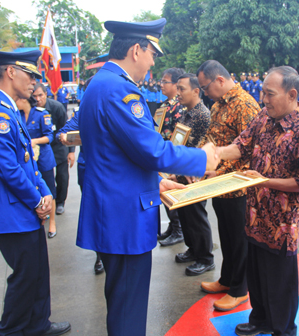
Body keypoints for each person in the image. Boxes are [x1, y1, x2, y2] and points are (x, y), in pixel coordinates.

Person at [76, 18, 220, 336]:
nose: (153, 62)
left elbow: (116, 155)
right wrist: (204, 158)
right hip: (123, 217)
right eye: (153, 53)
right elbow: (152, 150)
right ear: (136, 50)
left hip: (116, 208)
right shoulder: (119, 91)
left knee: (123, 301)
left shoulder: (101, 84)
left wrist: (155, 181)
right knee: (129, 308)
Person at [215, 66, 299, 335]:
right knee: (258, 276)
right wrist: (212, 155)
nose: (263, 99)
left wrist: (263, 181)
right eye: (263, 92)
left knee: (280, 283)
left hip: (281, 225)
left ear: (292, 94)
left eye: (270, 94)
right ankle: (260, 319)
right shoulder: (264, 117)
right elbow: (241, 145)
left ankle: (283, 329)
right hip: (255, 217)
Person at [0, 50, 70, 336]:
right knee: (25, 276)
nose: (34, 82)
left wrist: (44, 191)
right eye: (30, 75)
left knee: (38, 270)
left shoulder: (9, 108)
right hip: (10, 210)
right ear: (10, 72)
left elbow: (26, 159)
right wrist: (37, 199)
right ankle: (11, 330)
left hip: (23, 207)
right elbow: (9, 170)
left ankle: (38, 324)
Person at [197, 60, 260, 312]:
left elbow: (249, 152)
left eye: (205, 87)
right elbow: (211, 139)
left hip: (237, 186)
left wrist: (219, 172)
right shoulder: (218, 105)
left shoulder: (244, 105)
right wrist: (199, 160)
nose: (204, 93)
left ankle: (240, 289)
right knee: (226, 235)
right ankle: (227, 279)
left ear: (220, 80)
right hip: (218, 183)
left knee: (239, 238)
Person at [172, 73, 214, 276]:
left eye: (182, 89)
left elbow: (203, 146)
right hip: (182, 171)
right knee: (186, 215)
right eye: (177, 88)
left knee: (197, 215)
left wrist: (189, 167)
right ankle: (193, 249)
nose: (178, 93)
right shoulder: (186, 112)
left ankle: (205, 257)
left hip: (194, 173)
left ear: (196, 91)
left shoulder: (202, 115)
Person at [57, 105, 105, 275]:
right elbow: (64, 131)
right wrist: (65, 137)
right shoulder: (84, 112)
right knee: (95, 212)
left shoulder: (117, 108)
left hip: (112, 169)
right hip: (89, 168)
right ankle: (100, 255)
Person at [17, 96, 58, 239]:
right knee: (34, 188)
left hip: (43, 158)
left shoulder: (42, 113)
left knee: (49, 190)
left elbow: (50, 136)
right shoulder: (18, 115)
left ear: (25, 100)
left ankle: (52, 222)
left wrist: (34, 141)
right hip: (28, 160)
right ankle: (41, 219)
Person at [32, 83, 75, 216]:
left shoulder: (57, 107)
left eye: (40, 95)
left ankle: (60, 202)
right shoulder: (31, 109)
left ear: (46, 94)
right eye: (34, 96)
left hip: (58, 146)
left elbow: (68, 129)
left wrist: (71, 151)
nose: (38, 99)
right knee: (44, 178)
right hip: (41, 149)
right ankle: (46, 202)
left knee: (62, 176)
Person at [157, 67, 187, 246]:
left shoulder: (178, 107)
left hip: (172, 157)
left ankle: (178, 230)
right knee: (166, 195)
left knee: (172, 194)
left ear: (176, 85)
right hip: (163, 156)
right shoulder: (164, 105)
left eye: (165, 81)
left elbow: (180, 136)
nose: (161, 84)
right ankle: (172, 227)